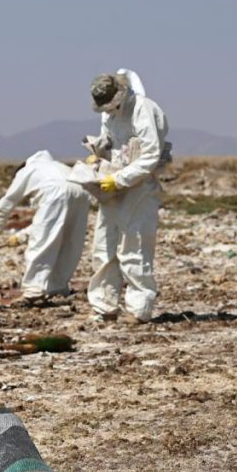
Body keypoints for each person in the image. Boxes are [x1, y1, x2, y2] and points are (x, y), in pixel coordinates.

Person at [85, 69, 170, 323]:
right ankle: (104, 306)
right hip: (112, 183)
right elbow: (111, 140)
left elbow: (151, 155)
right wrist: (98, 153)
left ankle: (139, 308)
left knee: (134, 247)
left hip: (139, 187)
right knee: (104, 244)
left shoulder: (143, 109)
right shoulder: (108, 113)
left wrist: (120, 179)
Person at [0, 150, 93, 304]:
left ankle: (33, 290)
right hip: (82, 192)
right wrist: (20, 236)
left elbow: (5, 205)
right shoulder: (57, 166)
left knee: (41, 244)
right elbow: (51, 224)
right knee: (69, 243)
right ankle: (57, 287)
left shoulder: (27, 171)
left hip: (56, 192)